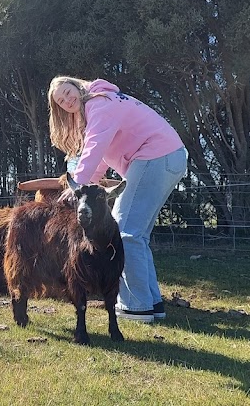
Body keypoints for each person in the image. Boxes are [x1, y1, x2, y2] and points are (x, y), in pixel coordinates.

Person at [48, 76, 187, 323]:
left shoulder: (98, 103)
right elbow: (102, 155)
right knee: (137, 235)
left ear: (77, 85)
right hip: (167, 157)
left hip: (155, 156)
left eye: (67, 93)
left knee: (124, 231)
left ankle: (136, 306)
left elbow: (94, 146)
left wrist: (76, 185)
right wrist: (88, 182)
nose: (67, 100)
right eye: (60, 101)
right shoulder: (102, 103)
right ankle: (152, 303)